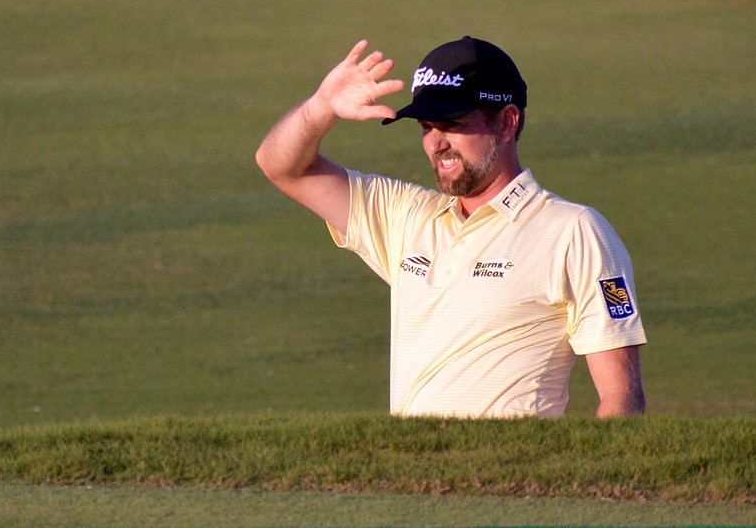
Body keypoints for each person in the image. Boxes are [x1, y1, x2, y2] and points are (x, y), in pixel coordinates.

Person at [255, 36, 646, 419]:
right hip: (413, 479)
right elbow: (284, 167)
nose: (436, 144)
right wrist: (320, 108)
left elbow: (621, 401)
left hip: (506, 478)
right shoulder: (406, 216)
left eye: (452, 124)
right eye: (427, 126)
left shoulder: (573, 231)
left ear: (507, 123)